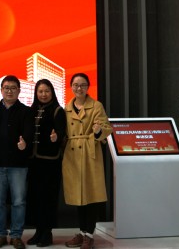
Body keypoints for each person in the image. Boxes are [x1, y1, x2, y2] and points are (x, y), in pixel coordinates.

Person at [0, 75, 34, 249]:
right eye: (6, 88)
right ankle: (0, 235)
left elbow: (29, 134)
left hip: (18, 164)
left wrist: (25, 144)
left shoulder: (26, 111)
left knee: (18, 202)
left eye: (13, 88)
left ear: (19, 90)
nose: (9, 91)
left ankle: (16, 236)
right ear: (1, 90)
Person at [62, 73, 112, 249]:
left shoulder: (96, 105)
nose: (79, 88)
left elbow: (107, 128)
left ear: (88, 87)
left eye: (83, 85)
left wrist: (98, 131)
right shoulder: (66, 108)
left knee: (90, 195)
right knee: (78, 196)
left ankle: (89, 235)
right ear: (71, 87)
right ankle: (82, 232)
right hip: (72, 155)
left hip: (90, 154)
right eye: (76, 85)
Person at [26, 79, 66, 247]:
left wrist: (56, 137)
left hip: (50, 162)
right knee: (35, 197)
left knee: (48, 198)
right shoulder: (31, 110)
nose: (43, 94)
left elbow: (62, 132)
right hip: (34, 162)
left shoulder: (58, 110)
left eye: (47, 91)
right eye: (40, 91)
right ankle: (38, 231)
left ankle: (47, 233)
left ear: (52, 92)